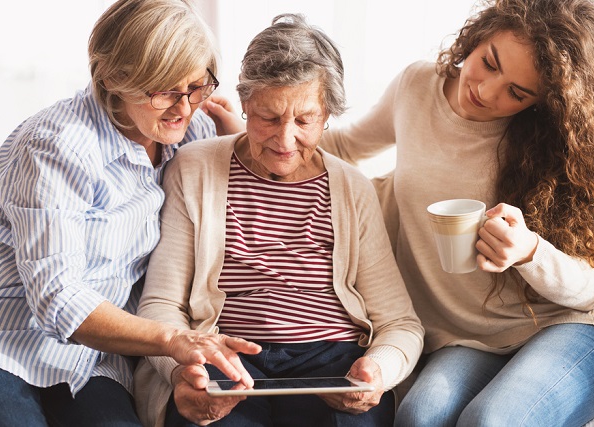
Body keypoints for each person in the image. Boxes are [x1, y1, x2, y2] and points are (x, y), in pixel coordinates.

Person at [0, 1, 261, 425]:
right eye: (164, 90)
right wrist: (172, 339)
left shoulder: (191, 132)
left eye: (197, 86)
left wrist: (239, 144)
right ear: (112, 77)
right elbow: (57, 296)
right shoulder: (56, 143)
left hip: (87, 360)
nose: (184, 107)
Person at [314, 0, 594, 425]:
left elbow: (592, 290)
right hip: (468, 336)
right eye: (488, 63)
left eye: (517, 92)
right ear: (477, 38)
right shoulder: (417, 86)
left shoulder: (556, 143)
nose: (486, 91)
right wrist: (251, 137)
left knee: (492, 420)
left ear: (545, 100)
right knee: (419, 417)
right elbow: (343, 147)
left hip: (575, 323)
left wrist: (531, 251)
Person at [132, 14, 424, 427]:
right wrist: (182, 372)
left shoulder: (353, 190)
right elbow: (161, 305)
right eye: (268, 118)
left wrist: (378, 370)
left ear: (327, 115)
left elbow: (400, 324)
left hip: (332, 359)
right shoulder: (194, 169)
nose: (285, 141)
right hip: (225, 355)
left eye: (305, 120)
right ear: (246, 105)